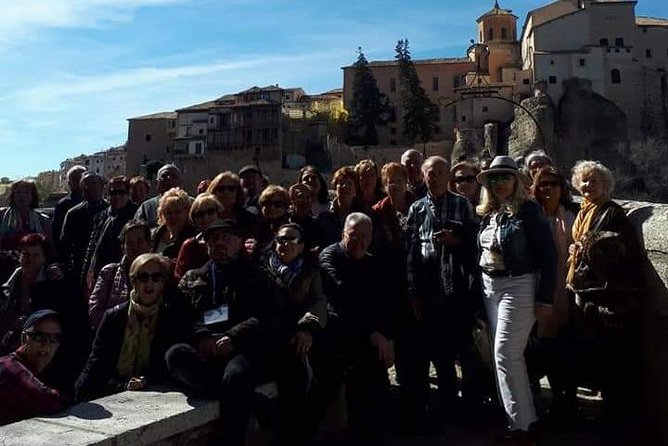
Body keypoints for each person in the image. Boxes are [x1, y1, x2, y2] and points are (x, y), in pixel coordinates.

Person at [166, 219, 280, 446]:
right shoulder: (194, 277)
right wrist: (201, 335)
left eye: (225, 238)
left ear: (239, 241)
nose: (219, 243)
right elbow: (180, 315)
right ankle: (253, 400)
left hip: (242, 349)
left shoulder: (257, 276)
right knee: (175, 355)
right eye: (212, 239)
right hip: (206, 349)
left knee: (237, 376)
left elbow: (268, 317)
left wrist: (234, 336)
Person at [476, 156, 556, 445]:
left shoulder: (529, 212)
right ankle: (526, 421)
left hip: (519, 283)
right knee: (509, 358)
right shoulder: (489, 213)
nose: (499, 183)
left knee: (505, 354)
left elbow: (548, 257)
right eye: (494, 179)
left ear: (516, 181)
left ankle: (519, 429)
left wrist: (545, 299)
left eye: (505, 177)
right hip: (490, 285)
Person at [566, 160, 644, 434]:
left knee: (613, 361)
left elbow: (621, 253)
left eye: (593, 181)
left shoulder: (611, 213)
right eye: (584, 181)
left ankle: (616, 421)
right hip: (591, 296)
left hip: (609, 300)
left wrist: (586, 250)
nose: (587, 185)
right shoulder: (586, 212)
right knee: (600, 358)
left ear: (606, 185)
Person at [405, 156, 479, 424]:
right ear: (423, 177)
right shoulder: (416, 208)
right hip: (427, 282)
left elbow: (474, 243)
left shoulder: (462, 204)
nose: (434, 178)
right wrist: (413, 291)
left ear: (448, 175)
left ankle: (470, 406)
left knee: (462, 345)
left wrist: (455, 240)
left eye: (439, 173)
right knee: (436, 346)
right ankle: (445, 403)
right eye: (429, 174)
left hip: (456, 282)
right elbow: (411, 252)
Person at [319, 213, 397, 444]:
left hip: (364, 333)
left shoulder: (372, 264)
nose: (360, 241)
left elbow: (382, 304)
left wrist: (386, 337)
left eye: (365, 237)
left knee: (375, 376)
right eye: (354, 236)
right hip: (336, 331)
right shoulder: (330, 257)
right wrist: (373, 333)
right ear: (344, 234)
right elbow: (343, 298)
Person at [76, 254, 189, 401]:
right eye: (143, 277)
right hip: (111, 390)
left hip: (154, 394)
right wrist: (123, 386)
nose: (149, 283)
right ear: (133, 281)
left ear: (162, 283)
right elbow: (97, 366)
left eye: (156, 277)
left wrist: (144, 382)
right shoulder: (114, 317)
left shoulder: (170, 318)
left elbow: (166, 371)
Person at [262, 223, 331, 446]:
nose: (285, 244)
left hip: (301, 333)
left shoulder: (311, 270)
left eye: (291, 240)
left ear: (301, 246)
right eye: (281, 239)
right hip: (271, 335)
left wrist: (307, 329)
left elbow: (318, 302)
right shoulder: (261, 268)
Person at [528, 166, 580, 417]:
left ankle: (566, 401)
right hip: (538, 291)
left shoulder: (573, 215)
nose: (548, 188)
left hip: (567, 291)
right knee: (540, 348)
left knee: (566, 347)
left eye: (553, 184)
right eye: (543, 184)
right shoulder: (531, 215)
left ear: (562, 188)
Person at [0, 310, 69, 426]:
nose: (47, 345)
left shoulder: (29, 368)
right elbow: (49, 400)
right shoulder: (12, 369)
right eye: (39, 336)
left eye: (55, 338)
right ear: (24, 338)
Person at [88, 221, 152, 331]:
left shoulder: (160, 273)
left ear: (150, 244)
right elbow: (95, 310)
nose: (135, 247)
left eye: (140, 241)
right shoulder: (109, 273)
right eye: (130, 243)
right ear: (123, 248)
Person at [84, 176, 139, 292]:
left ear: (128, 193)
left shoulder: (136, 214)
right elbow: (92, 247)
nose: (117, 196)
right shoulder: (101, 216)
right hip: (100, 272)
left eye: (121, 192)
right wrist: (87, 272)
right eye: (113, 192)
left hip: (126, 272)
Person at [59, 172, 108, 290]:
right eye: (85, 184)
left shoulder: (111, 211)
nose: (89, 187)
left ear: (102, 186)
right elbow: (64, 245)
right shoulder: (73, 214)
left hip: (105, 269)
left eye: (93, 183)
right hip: (79, 270)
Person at [207, 171, 272, 251]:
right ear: (213, 192)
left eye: (231, 189)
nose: (226, 192)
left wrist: (256, 245)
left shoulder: (251, 217)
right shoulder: (205, 215)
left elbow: (266, 240)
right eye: (221, 189)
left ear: (237, 192)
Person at [174, 193, 223, 281]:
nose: (205, 218)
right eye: (200, 214)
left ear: (218, 214)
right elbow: (180, 278)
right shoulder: (189, 246)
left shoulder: (230, 241)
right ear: (194, 220)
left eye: (210, 212)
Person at [317, 166, 364, 247]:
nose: (345, 186)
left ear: (355, 191)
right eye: (341, 183)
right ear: (335, 188)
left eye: (349, 183)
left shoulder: (363, 217)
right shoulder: (324, 217)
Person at [0, 180, 52, 252]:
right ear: (13, 195)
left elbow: (48, 247)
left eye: (26, 193)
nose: (22, 196)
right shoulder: (2, 216)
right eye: (18, 192)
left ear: (33, 196)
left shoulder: (43, 220)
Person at [151, 187, 196, 259]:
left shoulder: (193, 238)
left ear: (187, 211)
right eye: (168, 212)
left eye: (177, 212)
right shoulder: (155, 235)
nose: (172, 217)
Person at [52, 165, 86, 257]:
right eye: (75, 179)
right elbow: (56, 232)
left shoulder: (96, 202)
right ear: (69, 183)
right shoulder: (63, 204)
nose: (78, 183)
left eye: (80, 179)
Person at [288, 183, 321, 251]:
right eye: (300, 197)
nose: (305, 201)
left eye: (307, 197)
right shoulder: (286, 221)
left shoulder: (317, 223)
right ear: (292, 200)